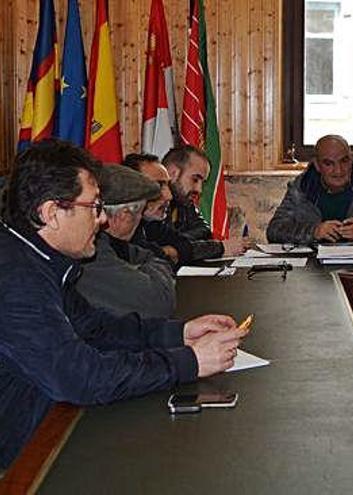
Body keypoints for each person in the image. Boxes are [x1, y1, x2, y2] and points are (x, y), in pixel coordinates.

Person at [0, 140, 244, 469]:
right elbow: (81, 377)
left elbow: (96, 328)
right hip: (22, 461)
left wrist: (180, 334)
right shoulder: (15, 278)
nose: (102, 220)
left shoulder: (40, 258)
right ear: (52, 213)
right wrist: (190, 362)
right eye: (94, 207)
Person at [77, 165, 176, 318]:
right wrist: (154, 268)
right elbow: (157, 303)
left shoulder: (108, 243)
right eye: (141, 212)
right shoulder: (91, 253)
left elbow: (151, 256)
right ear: (124, 216)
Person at [266, 134, 353, 244]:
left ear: (352, 159)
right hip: (313, 267)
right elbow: (275, 230)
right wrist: (314, 232)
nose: (338, 170)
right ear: (317, 165)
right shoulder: (301, 187)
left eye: (344, 161)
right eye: (328, 163)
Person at [123, 153, 227, 266]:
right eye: (158, 185)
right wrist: (168, 252)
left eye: (167, 185)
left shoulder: (152, 222)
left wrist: (168, 251)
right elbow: (145, 258)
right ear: (130, 188)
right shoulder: (112, 230)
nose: (169, 196)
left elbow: (184, 244)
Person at [161, 147, 250, 255]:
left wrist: (180, 243)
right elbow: (161, 249)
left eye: (202, 182)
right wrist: (219, 248)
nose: (199, 190)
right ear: (172, 173)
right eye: (195, 179)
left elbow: (204, 230)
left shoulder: (184, 201)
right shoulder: (152, 204)